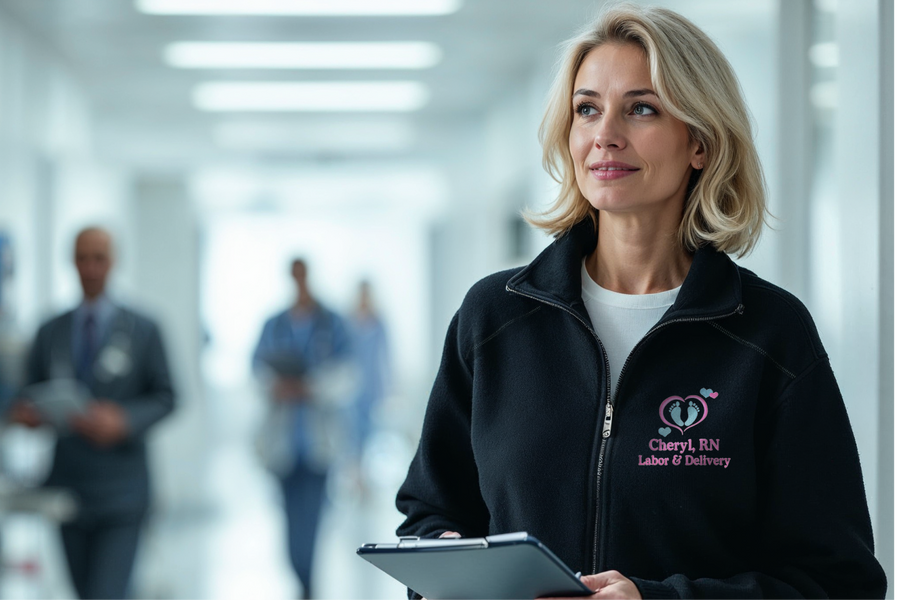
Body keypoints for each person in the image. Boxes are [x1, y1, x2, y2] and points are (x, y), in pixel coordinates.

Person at [395, 6, 887, 600]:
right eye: (587, 109)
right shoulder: (494, 320)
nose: (605, 133)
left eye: (642, 108)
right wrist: (453, 572)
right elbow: (430, 517)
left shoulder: (768, 335)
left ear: (700, 141)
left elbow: (839, 582)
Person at [6, 227, 175, 600]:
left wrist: (125, 419)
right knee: (85, 592)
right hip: (68, 488)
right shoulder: (51, 331)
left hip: (122, 492)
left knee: (107, 593)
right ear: (72, 261)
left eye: (99, 258)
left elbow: (167, 397)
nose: (91, 267)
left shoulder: (144, 330)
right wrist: (30, 416)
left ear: (113, 262)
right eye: (83, 258)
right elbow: (26, 397)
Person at [252, 258, 353, 600]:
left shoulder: (332, 322)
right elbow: (256, 371)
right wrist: (277, 387)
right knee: (289, 517)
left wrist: (311, 388)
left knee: (312, 516)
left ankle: (308, 582)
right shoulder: (274, 324)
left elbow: (347, 375)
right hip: (282, 442)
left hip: (318, 442)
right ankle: (301, 576)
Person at [347, 280, 390, 465]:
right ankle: (354, 471)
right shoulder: (348, 321)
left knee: (369, 431)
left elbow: (386, 356)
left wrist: (388, 387)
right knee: (351, 432)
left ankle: (364, 472)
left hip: (372, 386)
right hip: (351, 386)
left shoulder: (378, 321)